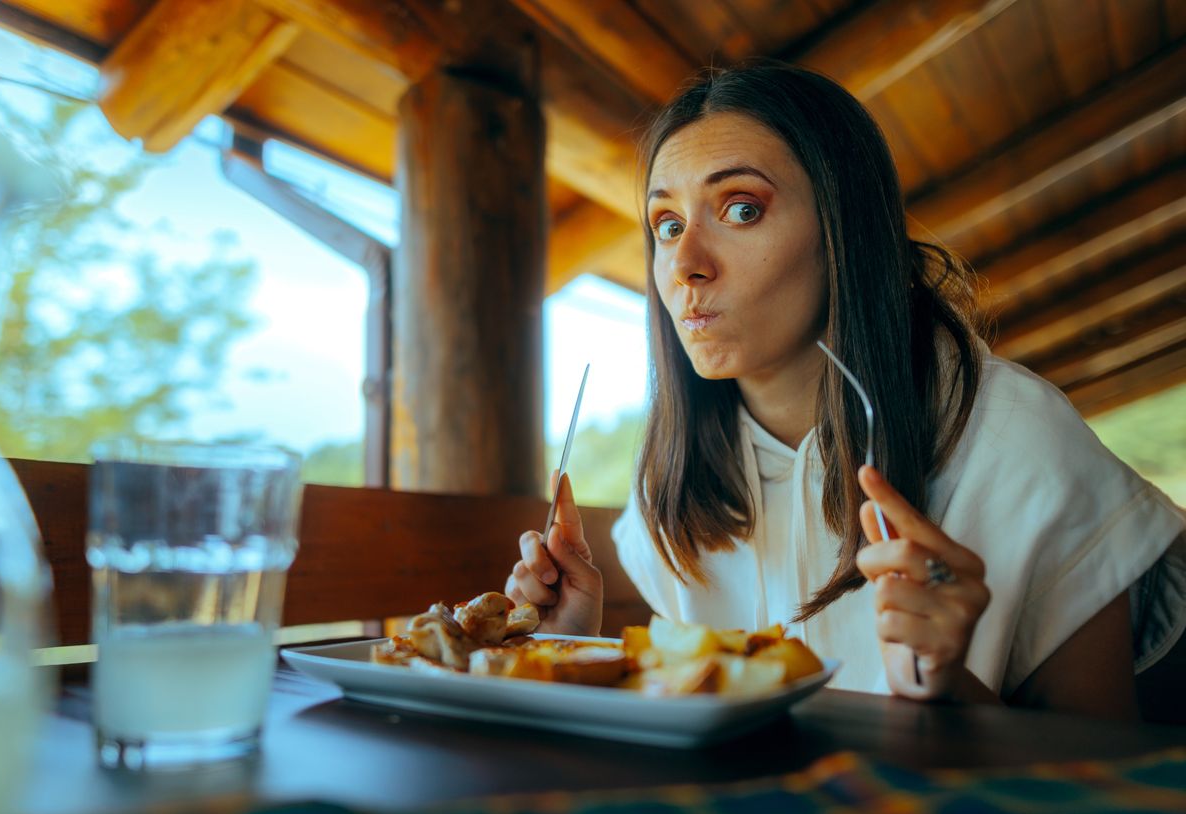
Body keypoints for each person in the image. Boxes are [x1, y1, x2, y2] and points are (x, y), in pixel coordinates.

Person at [504, 61, 1185, 719]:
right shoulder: (669, 478)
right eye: (668, 224)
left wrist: (950, 689)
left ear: (843, 232)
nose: (685, 264)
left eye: (741, 209)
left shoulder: (1022, 443)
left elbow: (1096, 779)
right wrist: (571, 642)